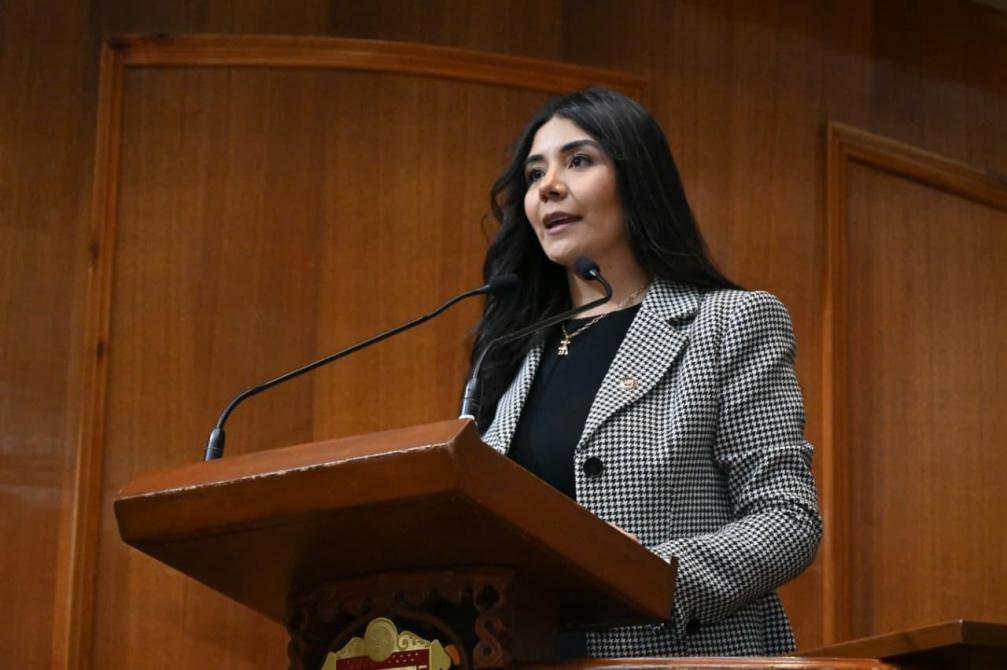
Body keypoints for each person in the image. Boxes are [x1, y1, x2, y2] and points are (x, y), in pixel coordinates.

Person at [468, 88, 822, 658]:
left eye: (578, 161)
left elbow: (787, 518)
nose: (548, 186)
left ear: (638, 180)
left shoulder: (728, 323)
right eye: (535, 174)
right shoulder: (505, 354)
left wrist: (654, 577)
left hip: (668, 655)